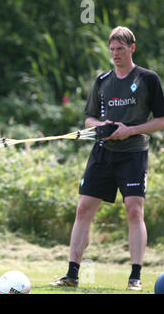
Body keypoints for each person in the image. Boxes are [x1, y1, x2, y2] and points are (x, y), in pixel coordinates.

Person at [51, 26, 164, 290]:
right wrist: (102, 125)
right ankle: (72, 274)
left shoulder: (148, 78)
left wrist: (130, 131)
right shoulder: (102, 80)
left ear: (132, 48)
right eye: (112, 49)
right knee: (83, 209)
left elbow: (161, 119)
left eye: (120, 49)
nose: (115, 54)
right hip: (102, 153)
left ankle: (135, 276)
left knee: (134, 210)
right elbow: (88, 118)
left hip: (134, 154)